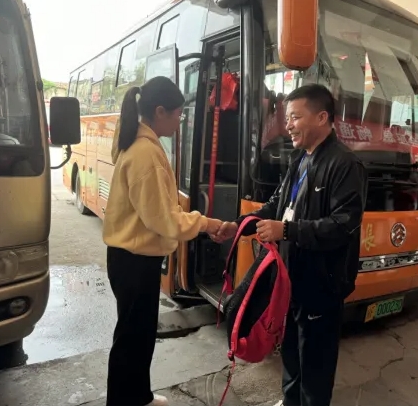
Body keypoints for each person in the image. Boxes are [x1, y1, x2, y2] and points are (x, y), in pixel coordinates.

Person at [211, 84, 367, 406]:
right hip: (292, 277)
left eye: (295, 117)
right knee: (293, 351)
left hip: (322, 284)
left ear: (322, 117)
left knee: (316, 363)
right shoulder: (299, 159)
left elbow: (343, 225)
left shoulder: (344, 165)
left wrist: (287, 230)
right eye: (287, 119)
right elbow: (276, 205)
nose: (288, 126)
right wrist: (239, 225)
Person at [103, 76, 222, 406]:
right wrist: (208, 224)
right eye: (178, 114)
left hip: (131, 258)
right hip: (134, 260)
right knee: (132, 338)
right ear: (159, 112)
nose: (179, 121)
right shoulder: (146, 154)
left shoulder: (141, 143)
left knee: (139, 334)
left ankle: (137, 396)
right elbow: (164, 219)